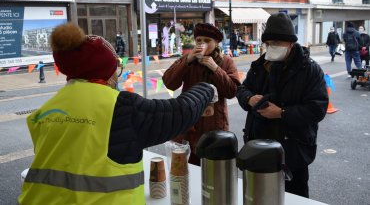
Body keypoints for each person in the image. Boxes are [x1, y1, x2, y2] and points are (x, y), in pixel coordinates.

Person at [18, 22, 218, 205]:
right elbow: (179, 112)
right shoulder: (120, 106)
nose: (117, 75)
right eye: (115, 69)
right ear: (104, 72)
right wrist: (207, 89)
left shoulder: (46, 110)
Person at [236, 13, 328, 198]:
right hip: (258, 146)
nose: (272, 47)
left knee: (295, 197)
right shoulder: (260, 65)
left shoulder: (309, 69)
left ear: (291, 43)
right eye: (268, 43)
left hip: (293, 151)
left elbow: (317, 108)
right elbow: (242, 89)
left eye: (277, 42)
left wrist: (282, 113)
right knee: (258, 195)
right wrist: (249, 99)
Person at [162, 23, 241, 166]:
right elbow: (169, 83)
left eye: (207, 40)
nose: (202, 43)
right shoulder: (188, 59)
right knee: (187, 170)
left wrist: (216, 69)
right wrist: (187, 60)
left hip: (214, 125)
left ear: (216, 43)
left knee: (212, 170)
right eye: (199, 40)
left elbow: (232, 91)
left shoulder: (226, 62)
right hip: (188, 124)